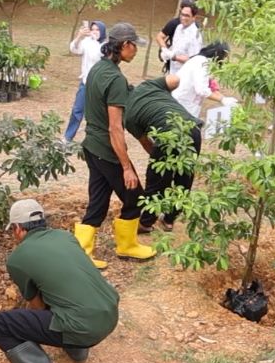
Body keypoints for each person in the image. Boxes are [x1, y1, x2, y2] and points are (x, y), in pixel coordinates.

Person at [0, 199, 120, 363]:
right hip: (109, 315)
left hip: (84, 328)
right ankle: (77, 349)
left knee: (2, 324)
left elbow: (38, 307)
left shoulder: (18, 258)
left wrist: (23, 325)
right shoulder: (66, 236)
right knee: (61, 294)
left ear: (17, 229)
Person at [77, 23, 156, 267]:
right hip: (106, 149)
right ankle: (127, 246)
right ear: (124, 45)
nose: (136, 51)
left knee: (98, 201)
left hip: (91, 145)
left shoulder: (98, 69)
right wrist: (126, 167)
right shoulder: (115, 79)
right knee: (135, 197)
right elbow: (115, 127)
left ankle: (82, 254)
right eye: (134, 46)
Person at [124, 73, 200, 234]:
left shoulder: (129, 117)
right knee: (185, 177)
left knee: (157, 181)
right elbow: (175, 79)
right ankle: (169, 220)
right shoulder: (148, 86)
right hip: (192, 129)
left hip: (168, 135)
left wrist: (160, 161)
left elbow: (146, 144)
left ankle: (145, 223)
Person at [64, 20, 106, 142]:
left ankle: (94, 139)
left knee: (95, 114)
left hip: (99, 85)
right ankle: (68, 137)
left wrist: (96, 42)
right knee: (77, 110)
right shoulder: (87, 42)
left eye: (97, 30)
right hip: (86, 82)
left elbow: (99, 55)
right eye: (93, 29)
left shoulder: (106, 45)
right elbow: (74, 49)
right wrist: (79, 36)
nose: (95, 32)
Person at [171, 41, 234, 119]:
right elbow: (201, 90)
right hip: (184, 102)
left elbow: (210, 86)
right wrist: (222, 99)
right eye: (224, 57)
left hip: (185, 100)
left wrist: (223, 98)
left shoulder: (200, 60)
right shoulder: (202, 63)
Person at [159, 2, 203, 75]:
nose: (183, 18)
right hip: (173, 72)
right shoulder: (178, 28)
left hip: (185, 76)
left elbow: (194, 60)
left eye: (187, 16)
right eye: (182, 14)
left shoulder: (195, 36)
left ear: (194, 17)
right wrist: (166, 51)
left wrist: (174, 57)